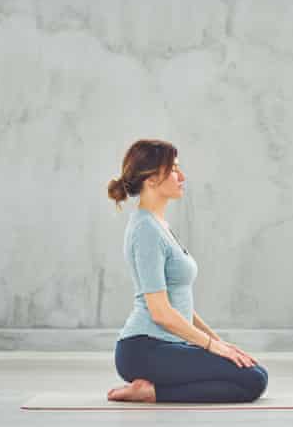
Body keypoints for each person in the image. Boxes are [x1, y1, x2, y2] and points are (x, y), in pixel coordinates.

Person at [105, 139, 268, 403]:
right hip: (144, 348)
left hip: (167, 344)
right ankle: (151, 393)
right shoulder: (145, 230)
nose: (182, 176)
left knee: (253, 371)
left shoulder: (159, 225)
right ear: (151, 180)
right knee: (253, 380)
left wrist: (219, 343)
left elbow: (179, 305)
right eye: (173, 169)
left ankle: (153, 389)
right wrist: (212, 347)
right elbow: (160, 312)